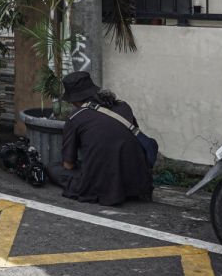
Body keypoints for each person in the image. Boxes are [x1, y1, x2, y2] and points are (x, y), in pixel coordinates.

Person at [46, 71, 154, 207]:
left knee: (53, 168)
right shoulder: (124, 106)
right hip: (138, 182)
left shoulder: (75, 118)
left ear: (74, 99)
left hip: (102, 187)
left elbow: (69, 165)